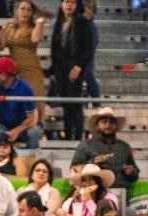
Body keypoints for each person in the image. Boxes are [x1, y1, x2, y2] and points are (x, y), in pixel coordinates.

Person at [0, 0, 49, 128]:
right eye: (22, 9)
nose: (25, 12)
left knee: (35, 99)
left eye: (28, 9)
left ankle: (38, 127)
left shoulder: (34, 26)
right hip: (14, 70)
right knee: (18, 99)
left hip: (32, 69)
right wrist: (2, 31)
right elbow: (1, 47)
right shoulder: (11, 27)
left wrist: (40, 24)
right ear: (17, 10)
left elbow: (35, 39)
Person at [48, 0, 93, 140]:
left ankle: (78, 137)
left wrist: (78, 67)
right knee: (66, 104)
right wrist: (53, 71)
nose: (69, 5)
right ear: (61, 4)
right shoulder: (58, 22)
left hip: (75, 66)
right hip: (60, 68)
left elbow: (88, 50)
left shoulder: (82, 22)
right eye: (66, 2)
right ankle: (68, 136)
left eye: (72, 2)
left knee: (76, 104)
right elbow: (54, 49)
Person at [0, 56, 41, 149]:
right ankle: (0, 161)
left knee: (33, 132)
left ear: (3, 75)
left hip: (24, 127)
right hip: (5, 126)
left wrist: (17, 130)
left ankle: (31, 160)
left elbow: (32, 117)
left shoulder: (24, 88)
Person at [71, 107, 139, 186]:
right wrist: (93, 162)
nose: (108, 124)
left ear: (115, 126)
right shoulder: (85, 145)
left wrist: (131, 172)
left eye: (111, 122)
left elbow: (135, 174)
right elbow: (75, 170)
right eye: (104, 122)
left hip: (121, 190)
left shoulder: (124, 146)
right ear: (97, 126)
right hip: (95, 191)